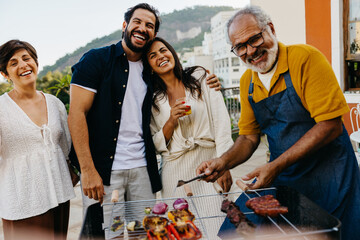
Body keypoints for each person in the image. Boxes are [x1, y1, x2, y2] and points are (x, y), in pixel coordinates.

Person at [196, 6, 360, 240]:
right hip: (287, 179)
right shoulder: (247, 83)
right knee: (240, 231)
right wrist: (223, 162)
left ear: (270, 29)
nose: (251, 51)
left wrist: (274, 167)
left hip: (331, 176)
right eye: (240, 47)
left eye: (254, 39)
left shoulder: (305, 58)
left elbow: (330, 125)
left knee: (333, 234)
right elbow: (248, 137)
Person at [68, 3, 221, 237]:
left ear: (154, 34)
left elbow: (176, 78)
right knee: (113, 233)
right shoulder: (96, 60)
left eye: (149, 25)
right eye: (137, 22)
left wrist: (210, 81)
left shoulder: (151, 71)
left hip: (142, 171)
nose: (142, 28)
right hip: (105, 174)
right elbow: (76, 114)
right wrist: (87, 170)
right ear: (125, 26)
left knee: (145, 232)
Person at [144, 37, 233, 239]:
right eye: (153, 55)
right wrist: (171, 121)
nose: (161, 56)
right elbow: (154, 144)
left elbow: (221, 122)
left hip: (210, 164)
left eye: (163, 50)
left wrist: (224, 163)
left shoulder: (200, 76)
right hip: (175, 173)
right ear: (148, 66)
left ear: (172, 52)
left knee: (221, 228)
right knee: (183, 232)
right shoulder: (152, 100)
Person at [0, 40, 76, 240]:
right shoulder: (1, 109)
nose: (23, 65)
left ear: (35, 62)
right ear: (5, 74)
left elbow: (65, 149)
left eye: (27, 58)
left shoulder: (55, 103)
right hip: (23, 202)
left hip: (59, 197)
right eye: (13, 63)